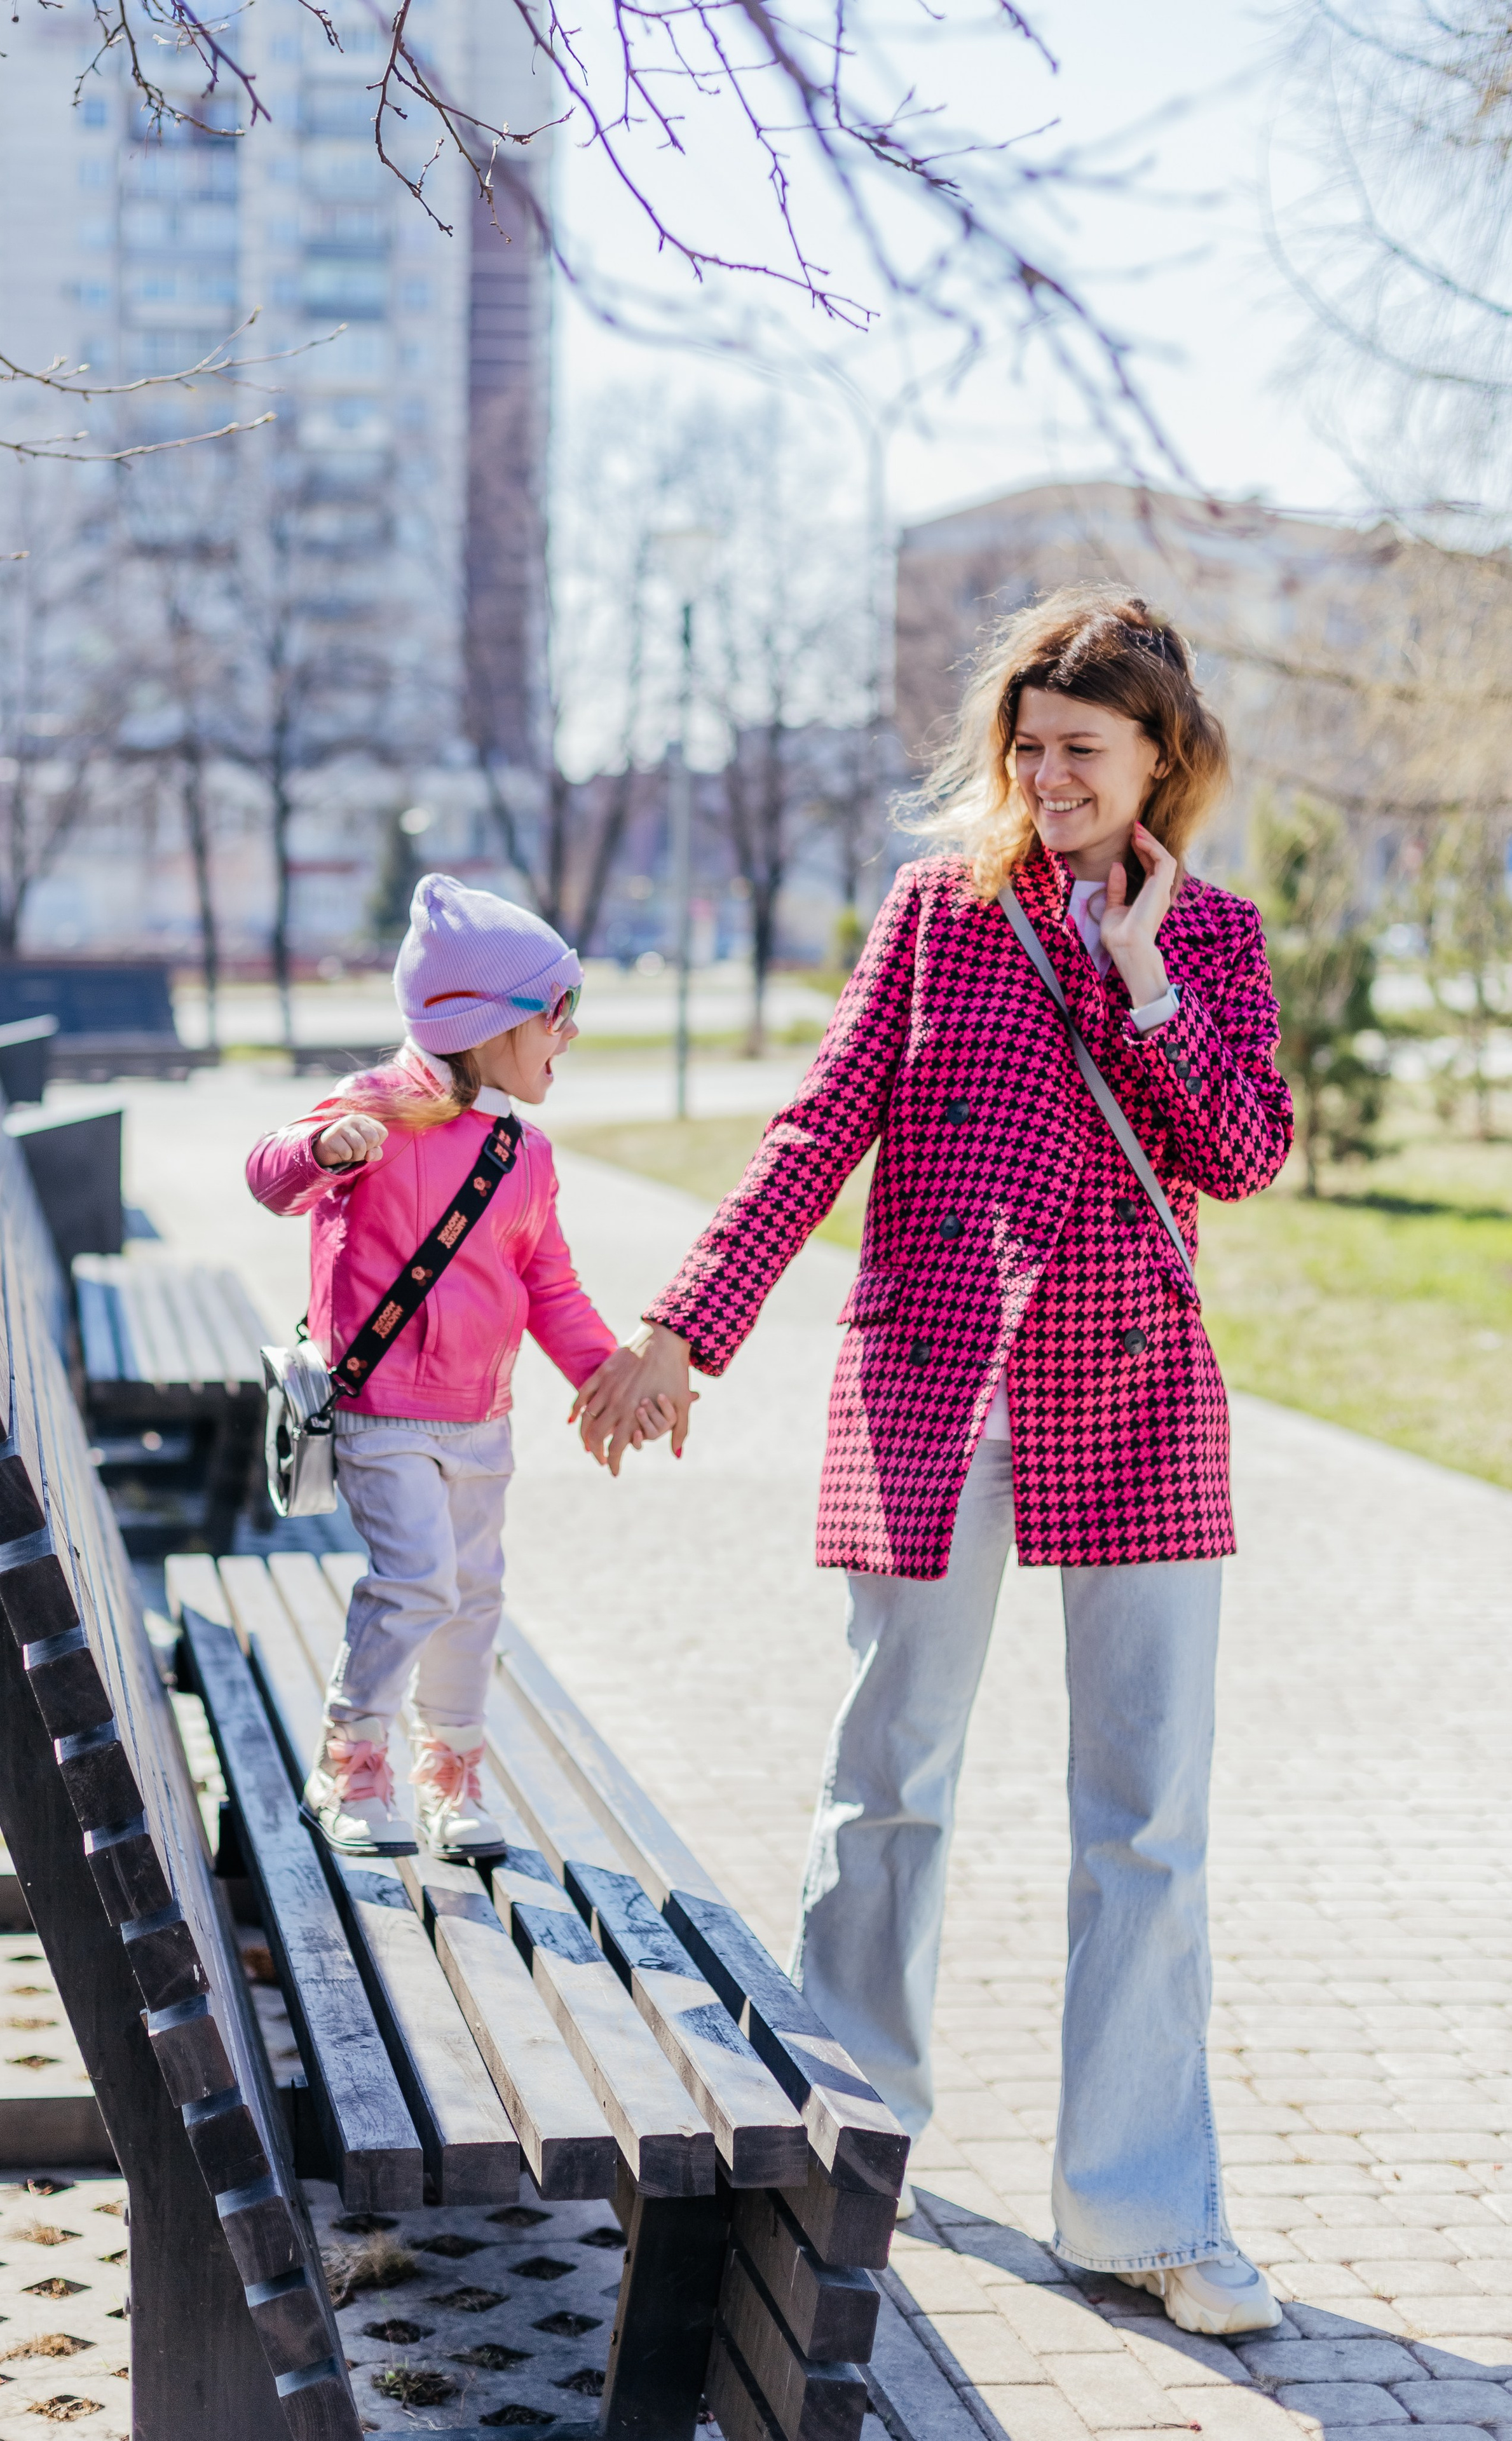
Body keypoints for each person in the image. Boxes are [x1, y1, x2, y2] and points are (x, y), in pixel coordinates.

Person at [574, 592, 1293, 2337]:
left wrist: (1143, 978)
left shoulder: (1221, 937)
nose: (1044, 776)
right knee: (883, 1776)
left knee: (1148, 1821)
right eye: (1026, 746)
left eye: (1082, 750)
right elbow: (819, 1126)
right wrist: (682, 1328)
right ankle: (853, 2135)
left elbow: (1247, 1148)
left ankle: (1138, 2207)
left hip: (1131, 1391)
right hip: (941, 1379)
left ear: (1158, 760)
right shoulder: (937, 913)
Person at [247, 873, 655, 1863]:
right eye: (558, 1011)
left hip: (483, 1417)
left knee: (474, 1592)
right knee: (418, 1582)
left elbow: (550, 1285)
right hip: (385, 1411)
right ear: (491, 1021)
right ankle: (351, 1759)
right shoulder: (371, 1115)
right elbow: (268, 1172)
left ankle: (453, 1765)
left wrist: (609, 1375)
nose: (569, 1032)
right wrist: (319, 1148)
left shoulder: (525, 1154)